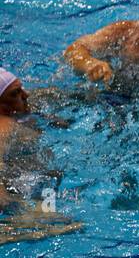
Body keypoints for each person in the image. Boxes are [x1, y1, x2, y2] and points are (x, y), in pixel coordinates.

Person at [0, 68, 82, 244]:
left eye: (22, 89)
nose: (26, 95)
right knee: (71, 225)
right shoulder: (4, 127)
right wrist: (20, 209)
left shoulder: (19, 116)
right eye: (15, 94)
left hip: (33, 185)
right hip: (20, 191)